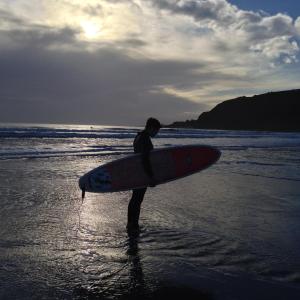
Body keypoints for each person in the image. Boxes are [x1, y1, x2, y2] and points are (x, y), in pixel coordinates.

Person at [127, 117, 161, 231]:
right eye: (156, 130)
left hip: (136, 173)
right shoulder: (145, 139)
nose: (157, 133)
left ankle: (131, 223)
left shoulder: (138, 136)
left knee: (135, 199)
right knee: (137, 200)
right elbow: (145, 160)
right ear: (151, 128)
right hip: (142, 174)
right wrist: (151, 177)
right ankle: (133, 225)